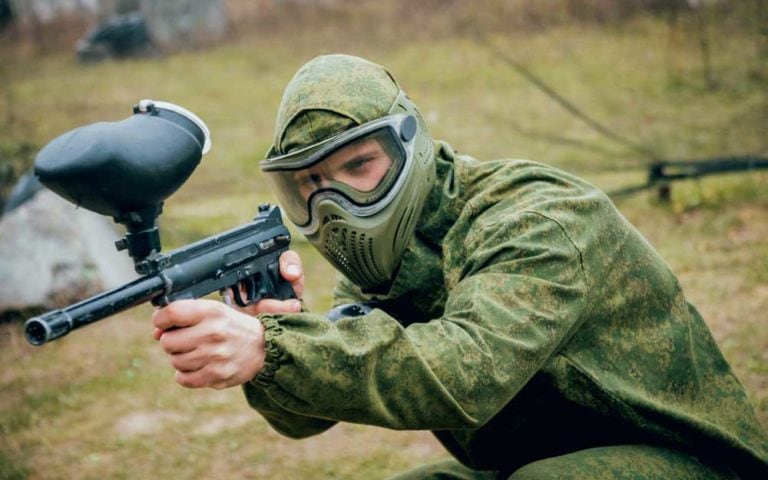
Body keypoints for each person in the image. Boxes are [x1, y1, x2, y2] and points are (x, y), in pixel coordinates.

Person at [152, 54, 768, 479]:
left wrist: (276, 348)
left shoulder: (537, 219)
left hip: (690, 464)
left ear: (409, 145)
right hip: (537, 462)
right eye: (309, 183)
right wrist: (275, 334)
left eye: (358, 167)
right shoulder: (388, 257)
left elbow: (461, 371)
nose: (333, 204)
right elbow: (307, 420)